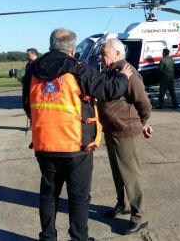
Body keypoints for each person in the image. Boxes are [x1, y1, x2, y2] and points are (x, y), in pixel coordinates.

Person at [22, 29, 133, 241]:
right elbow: (108, 90)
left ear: (51, 44)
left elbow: (27, 105)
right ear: (72, 48)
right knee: (79, 198)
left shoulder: (33, 70)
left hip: (44, 145)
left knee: (48, 195)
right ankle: (79, 238)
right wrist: (123, 78)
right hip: (76, 147)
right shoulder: (78, 68)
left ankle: (47, 237)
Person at [98, 38, 152, 235]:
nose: (101, 57)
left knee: (130, 174)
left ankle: (140, 216)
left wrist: (143, 122)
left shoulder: (128, 73)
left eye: (105, 53)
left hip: (126, 131)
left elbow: (144, 103)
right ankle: (123, 205)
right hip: (112, 130)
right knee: (118, 172)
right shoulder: (111, 71)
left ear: (118, 54)